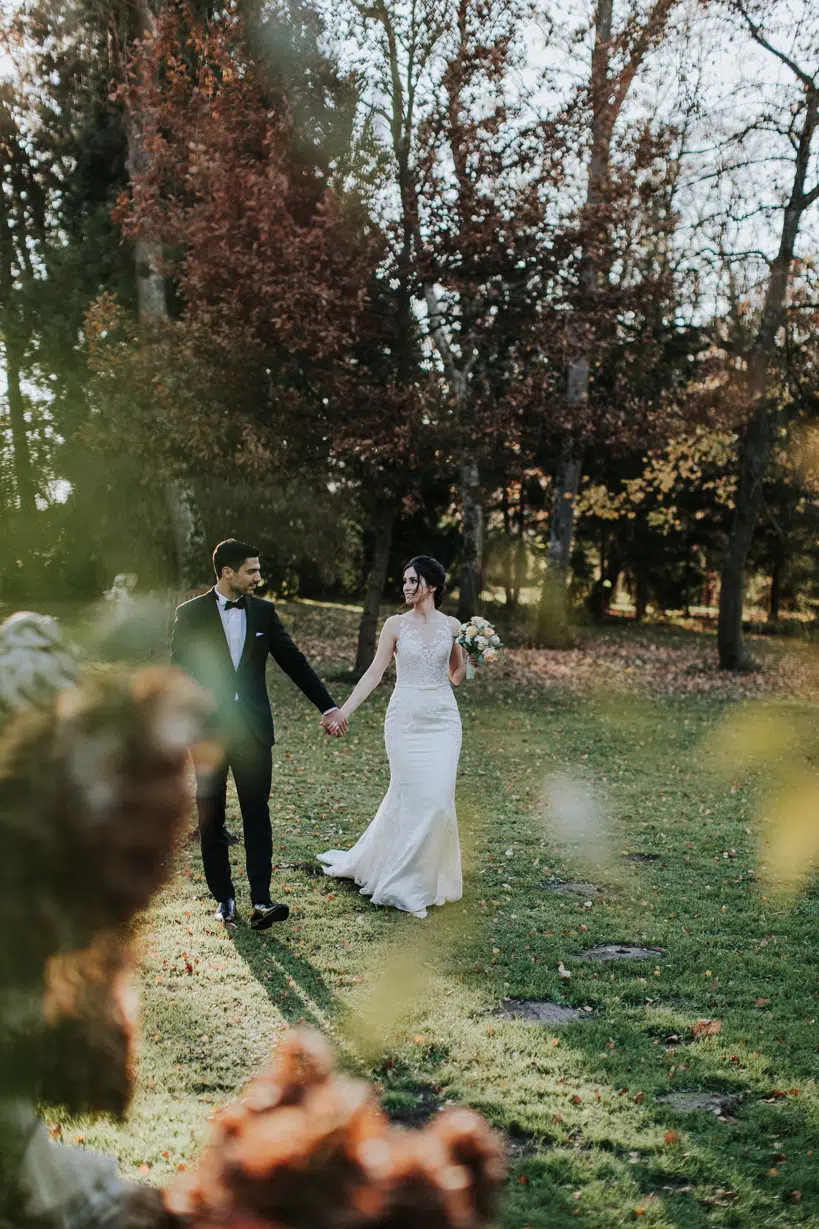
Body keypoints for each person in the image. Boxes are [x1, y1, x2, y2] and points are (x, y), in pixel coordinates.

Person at [171, 539, 347, 930]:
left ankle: (262, 900)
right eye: (251, 571)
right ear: (227, 573)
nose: (258, 578)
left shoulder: (264, 613)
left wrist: (328, 706)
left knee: (257, 814)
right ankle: (224, 900)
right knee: (211, 816)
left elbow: (294, 661)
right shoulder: (191, 614)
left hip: (253, 731)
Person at [318, 556, 466, 918]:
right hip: (405, 721)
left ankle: (427, 879)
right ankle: (404, 885)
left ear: (431, 585)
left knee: (439, 800)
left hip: (444, 721)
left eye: (412, 581)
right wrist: (343, 711)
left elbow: (457, 676)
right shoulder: (395, 625)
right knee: (412, 796)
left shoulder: (453, 625)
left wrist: (473, 661)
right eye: (404, 581)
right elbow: (373, 674)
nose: (406, 587)